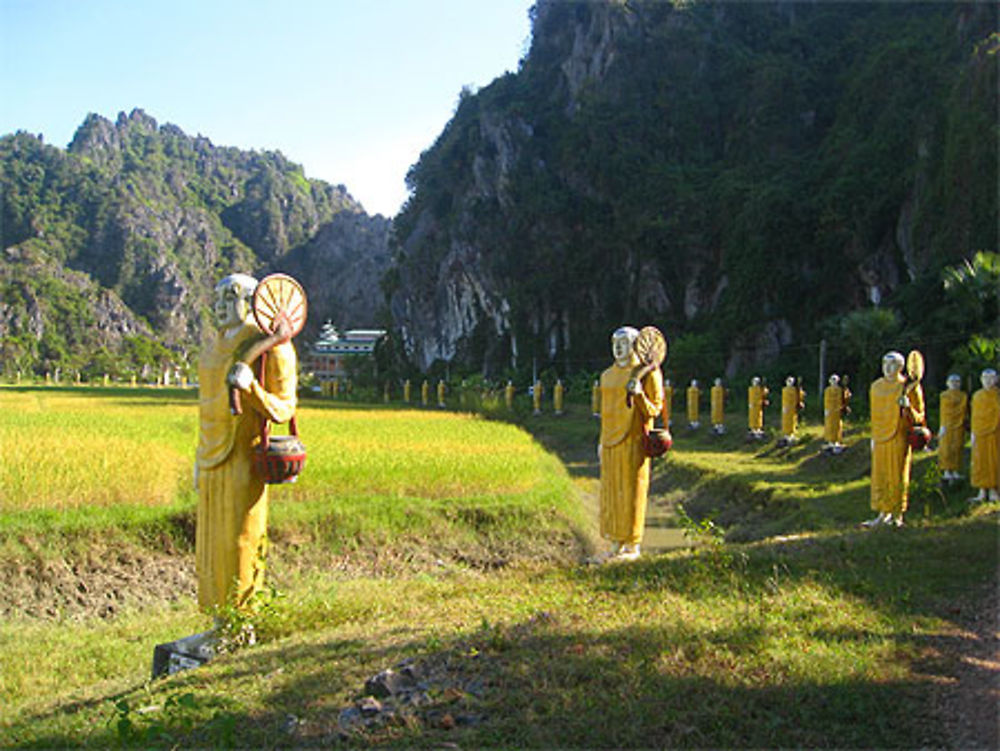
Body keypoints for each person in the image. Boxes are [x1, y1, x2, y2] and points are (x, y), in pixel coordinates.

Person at [195, 274, 297, 612]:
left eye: (230, 298)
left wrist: (251, 388)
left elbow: (284, 407)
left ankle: (241, 621)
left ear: (251, 300)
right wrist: (199, 458)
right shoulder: (214, 347)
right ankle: (216, 619)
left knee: (241, 541)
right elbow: (207, 408)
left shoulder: (272, 346)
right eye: (218, 298)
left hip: (243, 459)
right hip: (211, 456)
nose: (221, 306)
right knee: (209, 544)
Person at [598, 326, 665, 561]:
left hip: (634, 439)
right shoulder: (606, 376)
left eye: (624, 343)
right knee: (611, 491)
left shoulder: (647, 373)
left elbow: (654, 409)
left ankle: (633, 544)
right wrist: (601, 442)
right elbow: (605, 413)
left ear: (636, 345)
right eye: (615, 343)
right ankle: (615, 542)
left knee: (632, 490)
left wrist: (638, 394)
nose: (618, 348)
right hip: (610, 441)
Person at [864, 351, 924, 528]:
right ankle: (882, 513)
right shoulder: (876, 387)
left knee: (897, 474)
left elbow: (920, 417)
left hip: (899, 436)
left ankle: (897, 514)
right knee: (880, 475)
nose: (888, 368)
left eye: (893, 365)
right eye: (885, 364)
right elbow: (875, 414)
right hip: (880, 436)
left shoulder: (909, 386)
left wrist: (908, 408)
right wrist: (873, 436)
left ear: (901, 367)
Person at [969, 369, 1000, 503]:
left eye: (991, 378)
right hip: (979, 432)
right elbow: (975, 416)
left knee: (994, 460)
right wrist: (973, 432)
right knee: (979, 461)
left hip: (995, 432)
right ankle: (982, 490)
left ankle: (994, 490)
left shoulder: (997, 395)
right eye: (985, 378)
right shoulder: (977, 396)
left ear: (997, 379)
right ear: (981, 379)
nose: (988, 381)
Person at [937, 374, 967, 481]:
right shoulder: (944, 395)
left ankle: (955, 470)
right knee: (946, 447)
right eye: (952, 382)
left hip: (959, 425)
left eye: (957, 382)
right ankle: (946, 470)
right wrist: (942, 426)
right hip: (947, 424)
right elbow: (944, 412)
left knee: (957, 446)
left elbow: (963, 410)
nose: (954, 384)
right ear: (947, 383)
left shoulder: (963, 396)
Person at [823, 374, 850, 453]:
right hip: (829, 410)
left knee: (837, 426)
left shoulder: (839, 390)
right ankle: (830, 441)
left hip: (837, 410)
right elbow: (826, 400)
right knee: (829, 426)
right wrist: (826, 409)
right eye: (832, 379)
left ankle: (837, 440)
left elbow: (844, 398)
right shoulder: (827, 390)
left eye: (835, 380)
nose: (833, 381)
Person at [780, 376, 805, 445]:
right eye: (788, 381)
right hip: (786, 409)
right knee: (785, 422)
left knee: (793, 421)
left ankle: (791, 434)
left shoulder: (795, 390)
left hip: (792, 409)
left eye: (791, 381)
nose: (789, 383)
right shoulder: (784, 390)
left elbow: (799, 396)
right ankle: (786, 434)